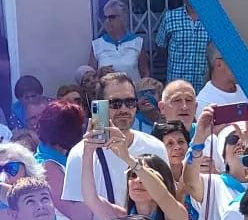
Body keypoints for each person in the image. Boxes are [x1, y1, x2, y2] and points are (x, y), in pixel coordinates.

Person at [60, 73, 170, 211]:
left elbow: (167, 203)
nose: (124, 109)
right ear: (100, 107)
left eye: (130, 102)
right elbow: (80, 219)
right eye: (115, 103)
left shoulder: (155, 147)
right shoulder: (80, 154)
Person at [154, 0, 211, 87]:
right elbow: (160, 45)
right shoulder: (170, 17)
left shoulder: (213, 19)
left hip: (205, 87)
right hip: (176, 88)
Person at [92, 0, 148, 78]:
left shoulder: (137, 43)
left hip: (132, 89)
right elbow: (90, 76)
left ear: (122, 18)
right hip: (106, 90)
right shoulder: (96, 45)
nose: (107, 21)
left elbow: (145, 72)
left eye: (112, 17)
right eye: (105, 17)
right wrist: (99, 73)